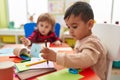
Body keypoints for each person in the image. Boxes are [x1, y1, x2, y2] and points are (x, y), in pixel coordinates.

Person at [41, 1, 107, 80]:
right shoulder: (81, 39)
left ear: (90, 24)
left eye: (74, 26)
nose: (70, 31)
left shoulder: (92, 42)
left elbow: (84, 59)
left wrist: (57, 57)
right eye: (69, 27)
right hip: (82, 74)